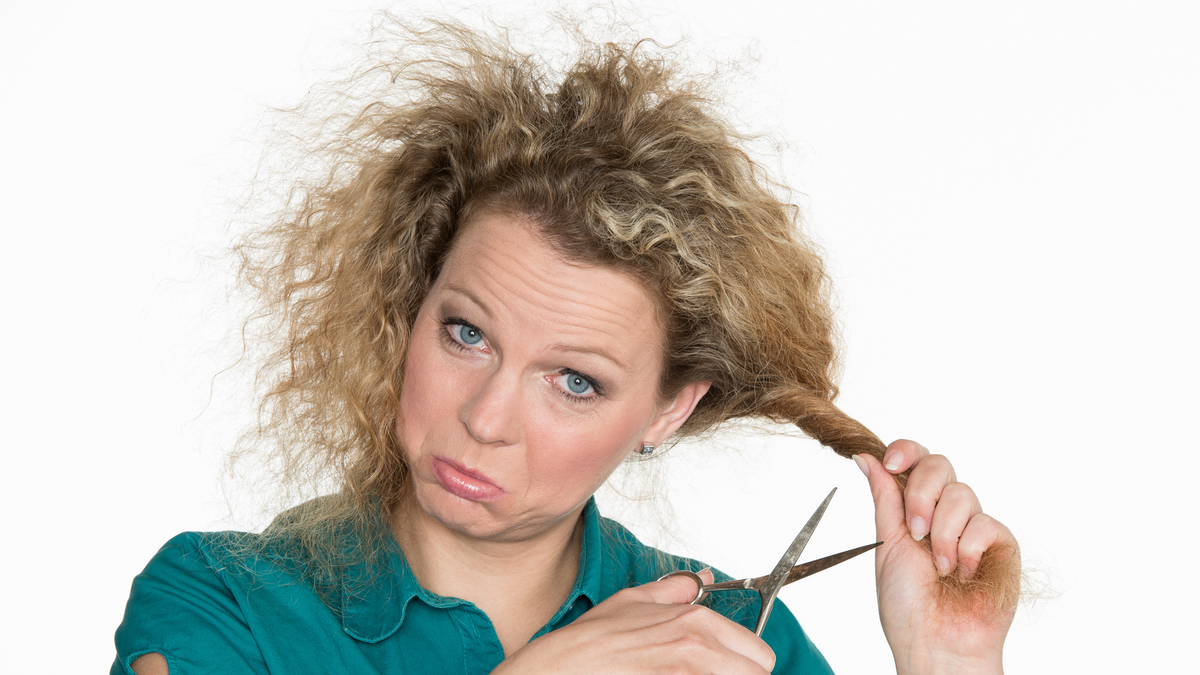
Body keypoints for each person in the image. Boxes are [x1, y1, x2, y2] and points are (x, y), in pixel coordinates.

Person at [113, 18, 1020, 675]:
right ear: (410, 303)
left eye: (574, 382)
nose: (486, 417)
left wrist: (950, 662)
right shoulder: (221, 600)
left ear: (671, 406)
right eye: (466, 332)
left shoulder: (736, 639)